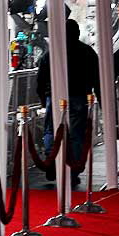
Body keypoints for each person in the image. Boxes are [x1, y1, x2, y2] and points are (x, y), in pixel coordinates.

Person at [36, 18, 101, 186]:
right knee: (76, 135)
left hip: (55, 98)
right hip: (79, 97)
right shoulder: (88, 52)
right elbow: (97, 78)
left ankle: (52, 161)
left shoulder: (51, 54)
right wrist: (101, 100)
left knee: (51, 130)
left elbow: (41, 80)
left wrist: (44, 99)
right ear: (78, 33)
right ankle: (74, 169)